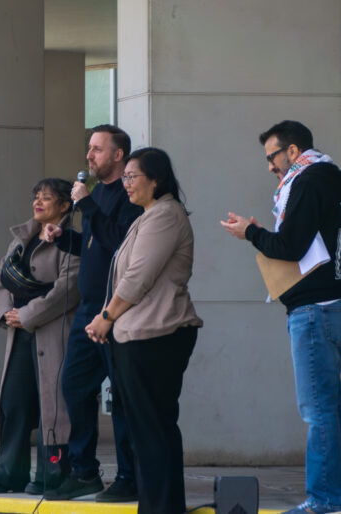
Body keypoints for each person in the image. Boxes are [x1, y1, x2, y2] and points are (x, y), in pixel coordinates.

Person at [221, 120, 341, 514]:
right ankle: (337, 498)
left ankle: (325, 501)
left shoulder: (307, 181)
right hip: (335, 304)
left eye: (272, 157)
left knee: (318, 412)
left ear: (294, 151)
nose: (270, 167)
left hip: (314, 311)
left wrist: (250, 233)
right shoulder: (332, 181)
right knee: (329, 411)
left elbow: (290, 246)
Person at [85, 147, 202, 514]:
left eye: (133, 177)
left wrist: (107, 315)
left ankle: (162, 507)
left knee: (153, 429)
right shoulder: (149, 215)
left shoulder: (165, 216)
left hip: (156, 335)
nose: (126, 184)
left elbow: (138, 277)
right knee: (147, 430)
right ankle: (157, 506)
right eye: (125, 178)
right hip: (140, 335)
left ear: (156, 179)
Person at [42, 125, 142, 502]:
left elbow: (120, 241)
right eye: (89, 149)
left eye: (97, 150)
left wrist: (85, 205)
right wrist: (65, 237)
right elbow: (97, 243)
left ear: (119, 155)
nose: (89, 156)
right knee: (74, 384)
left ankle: (129, 476)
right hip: (88, 308)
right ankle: (84, 472)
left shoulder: (130, 195)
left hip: (118, 310)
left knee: (121, 395)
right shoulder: (98, 193)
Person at [0, 178, 80, 494]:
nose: (38, 202)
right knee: (14, 403)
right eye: (36, 196)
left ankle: (51, 474)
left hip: (52, 332)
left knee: (53, 406)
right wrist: (7, 313)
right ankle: (9, 472)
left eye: (47, 198)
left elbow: (69, 287)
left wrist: (26, 314)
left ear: (65, 205)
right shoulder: (23, 237)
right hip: (18, 333)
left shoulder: (71, 241)